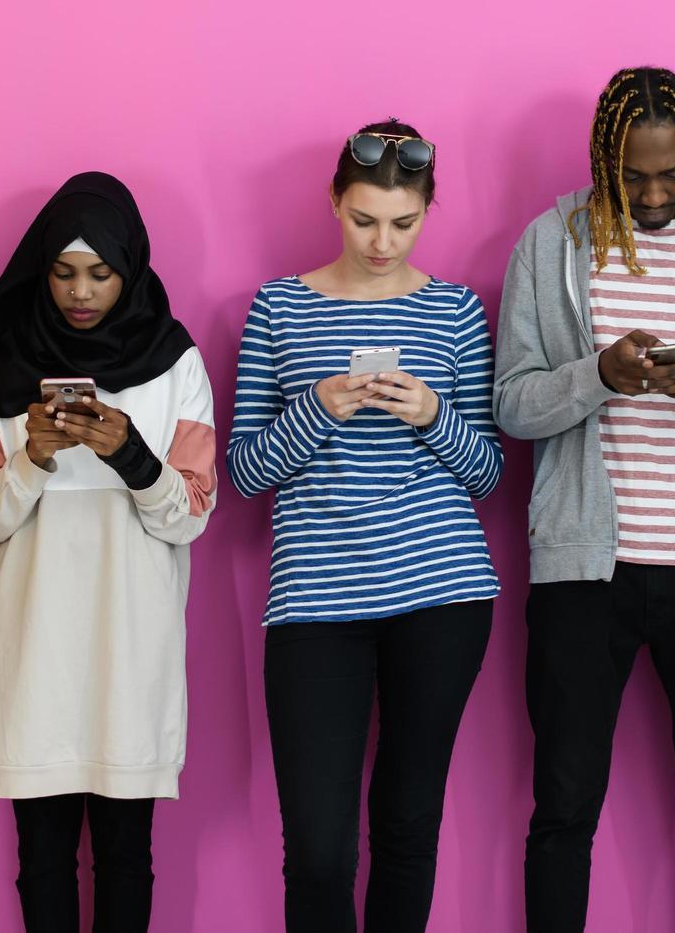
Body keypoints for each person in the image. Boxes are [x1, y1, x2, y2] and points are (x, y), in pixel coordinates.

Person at [493, 66, 675, 932]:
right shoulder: (550, 246)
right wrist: (597, 376)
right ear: (601, 162)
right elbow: (511, 401)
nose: (654, 195)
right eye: (633, 177)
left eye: (672, 175)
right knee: (563, 809)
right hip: (586, 572)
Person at [226, 120, 503, 932]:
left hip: (443, 595)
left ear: (429, 210)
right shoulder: (278, 306)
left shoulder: (456, 311)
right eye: (363, 219)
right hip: (314, 603)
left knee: (409, 827)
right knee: (317, 849)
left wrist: (431, 413)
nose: (382, 241)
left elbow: (486, 474)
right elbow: (243, 472)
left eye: (404, 223)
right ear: (334, 204)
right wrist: (315, 409)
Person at [0, 172, 215, 932]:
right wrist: (30, 457)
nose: (81, 291)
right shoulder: (4, 368)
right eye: (64, 273)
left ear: (129, 269)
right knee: (41, 858)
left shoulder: (174, 364)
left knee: (127, 855)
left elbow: (191, 514)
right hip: (34, 650)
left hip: (132, 647)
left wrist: (132, 456)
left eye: (101, 273)